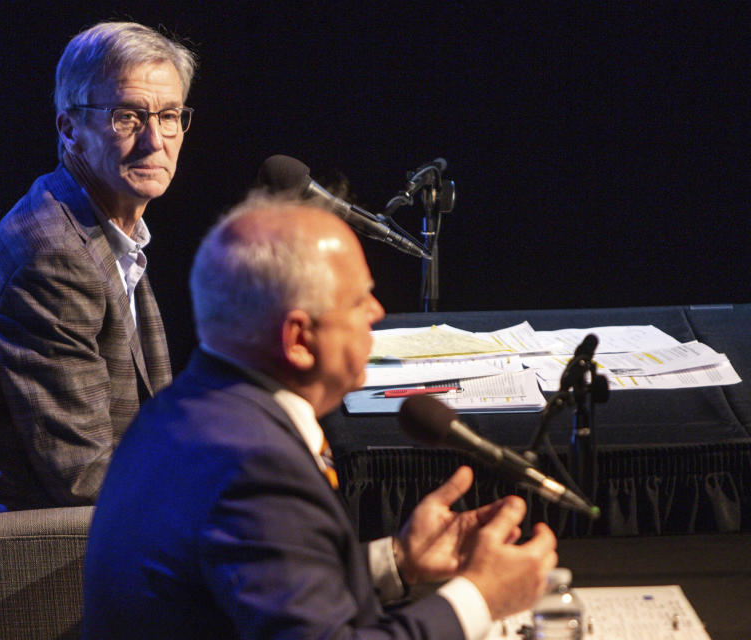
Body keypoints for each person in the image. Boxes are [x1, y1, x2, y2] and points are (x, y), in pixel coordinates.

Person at [82, 193, 558, 639]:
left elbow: (260, 593)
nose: (377, 311)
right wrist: (481, 595)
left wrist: (397, 562)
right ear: (299, 340)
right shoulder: (254, 465)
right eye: (358, 301)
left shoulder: (185, 408)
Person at [0, 22, 196, 514]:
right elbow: (85, 480)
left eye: (169, 116)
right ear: (70, 129)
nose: (155, 140)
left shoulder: (95, 219)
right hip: (54, 550)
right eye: (128, 117)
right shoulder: (54, 261)